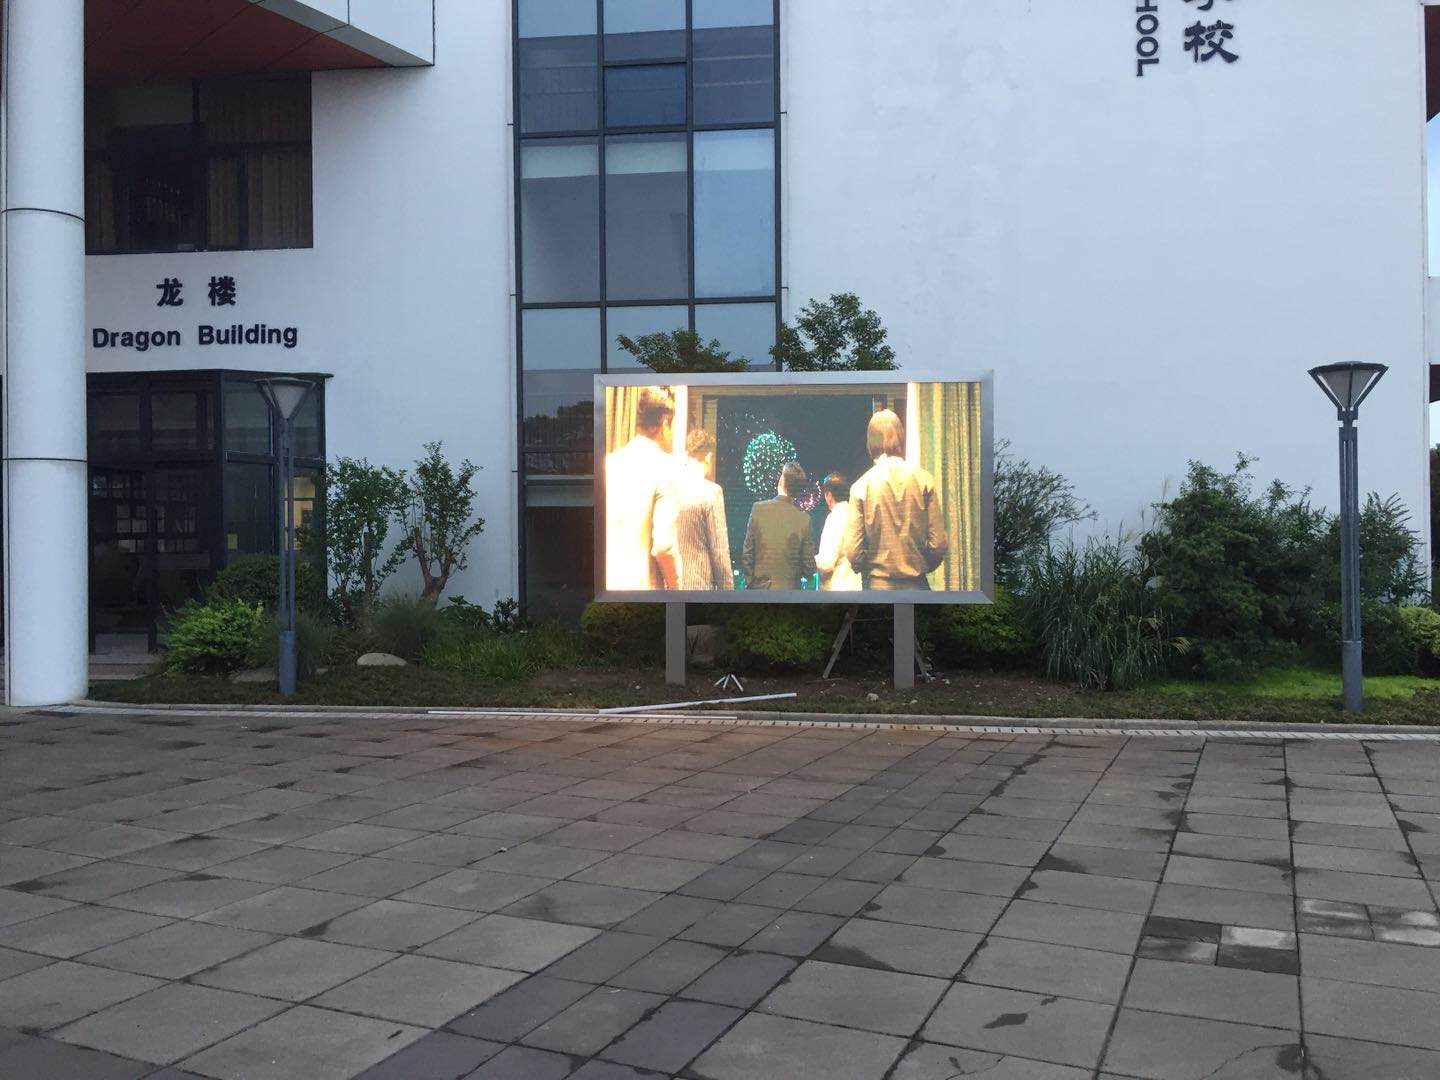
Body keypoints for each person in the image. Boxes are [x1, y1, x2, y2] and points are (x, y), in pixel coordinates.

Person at [842, 409, 948, 590]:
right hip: (917, 587)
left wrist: (868, 567)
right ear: (900, 437)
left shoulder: (860, 487)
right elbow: (938, 545)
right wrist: (921, 566)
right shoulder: (924, 480)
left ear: (871, 441)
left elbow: (853, 551)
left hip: (878, 589)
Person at [604, 386, 679, 590]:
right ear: (665, 423)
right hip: (642, 591)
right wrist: (678, 590)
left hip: (606, 587)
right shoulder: (665, 466)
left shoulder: (609, 462)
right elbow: (664, 546)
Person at [672, 428, 734, 590]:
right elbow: (719, 552)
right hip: (698, 588)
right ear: (708, 458)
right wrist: (729, 594)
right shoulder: (711, 492)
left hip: (669, 586)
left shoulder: (670, 490)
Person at [741, 461, 818, 590]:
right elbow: (809, 568)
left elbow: (747, 554)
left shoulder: (758, 509)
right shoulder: (804, 520)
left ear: (781, 481)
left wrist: (752, 586)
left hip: (760, 594)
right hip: (790, 596)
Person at [815, 472, 862, 591]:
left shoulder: (834, 518)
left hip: (836, 591)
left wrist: (808, 560)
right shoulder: (855, 514)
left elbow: (826, 564)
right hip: (855, 587)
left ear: (828, 495)